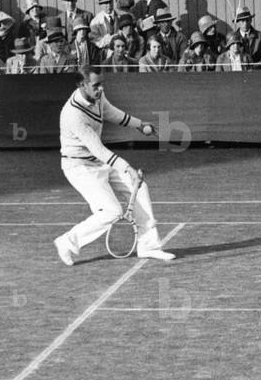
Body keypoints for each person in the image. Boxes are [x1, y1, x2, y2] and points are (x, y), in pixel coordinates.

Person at [54, 67, 174, 265]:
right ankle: (67, 242)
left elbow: (112, 113)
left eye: (102, 84)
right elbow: (98, 148)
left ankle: (148, 246)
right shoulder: (73, 115)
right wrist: (127, 168)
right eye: (96, 85)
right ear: (82, 85)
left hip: (98, 162)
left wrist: (139, 124)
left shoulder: (97, 96)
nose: (101, 89)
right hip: (79, 168)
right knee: (112, 211)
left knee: (139, 187)